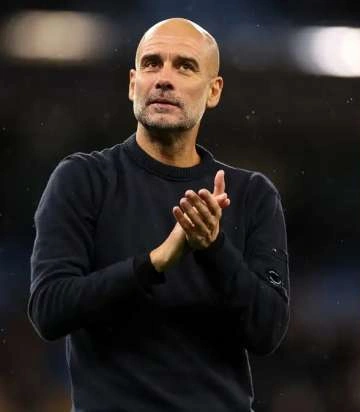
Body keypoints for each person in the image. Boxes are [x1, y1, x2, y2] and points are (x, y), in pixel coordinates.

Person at [28, 18, 289, 411]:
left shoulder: (251, 195)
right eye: (152, 64)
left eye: (185, 66)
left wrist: (213, 247)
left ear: (214, 91)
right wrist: (153, 264)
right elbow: (49, 310)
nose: (164, 79)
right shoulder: (83, 179)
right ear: (133, 83)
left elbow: (267, 332)